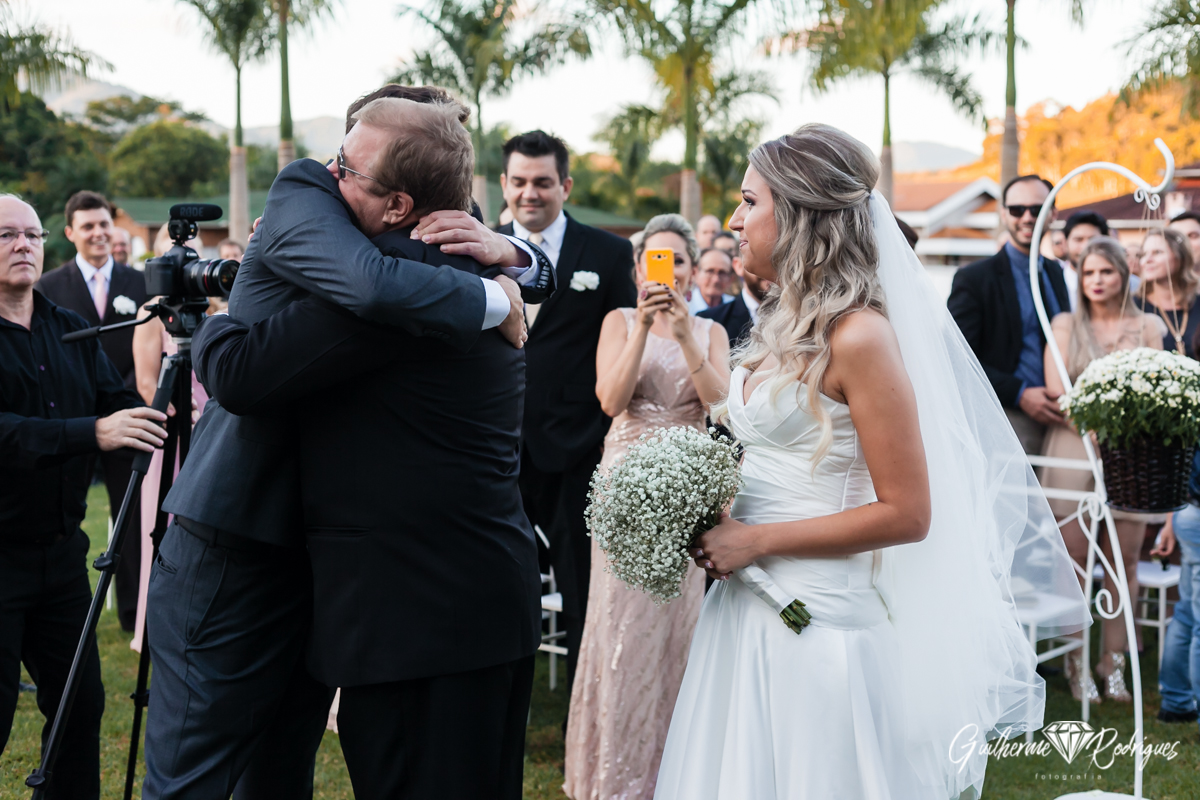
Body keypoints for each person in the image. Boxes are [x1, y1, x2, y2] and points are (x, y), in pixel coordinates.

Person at [653, 125, 1086, 800]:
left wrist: (755, 538)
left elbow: (908, 513)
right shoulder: (781, 320)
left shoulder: (861, 334)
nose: (736, 220)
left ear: (798, 212)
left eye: (749, 201)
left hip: (819, 624)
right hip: (744, 608)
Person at [142, 93, 552, 800]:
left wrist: (212, 328)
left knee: (278, 772)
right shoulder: (312, 194)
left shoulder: (423, 273)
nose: (331, 171)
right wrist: (502, 293)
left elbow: (240, 366)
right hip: (240, 537)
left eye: (347, 163)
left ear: (401, 202)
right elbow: (368, 284)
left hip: (355, 577)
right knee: (197, 774)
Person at [0, 194, 167, 799]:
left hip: (63, 557)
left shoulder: (70, 330)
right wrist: (90, 433)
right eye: (7, 236)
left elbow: (112, 402)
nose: (23, 245)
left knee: (79, 706)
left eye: (31, 234)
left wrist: (150, 411)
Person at [564, 215, 729, 800]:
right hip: (625, 488)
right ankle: (613, 774)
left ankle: (674, 774)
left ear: (691, 266)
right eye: (655, 262)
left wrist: (684, 334)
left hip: (684, 489)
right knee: (620, 626)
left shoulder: (710, 331)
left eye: (678, 261)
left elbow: (719, 404)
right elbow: (610, 400)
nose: (669, 271)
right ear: (638, 270)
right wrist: (642, 327)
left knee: (677, 629)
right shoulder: (615, 320)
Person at [498, 129, 637, 700]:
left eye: (543, 182)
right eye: (520, 182)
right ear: (504, 185)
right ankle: (503, 696)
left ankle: (584, 711)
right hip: (495, 449)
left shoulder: (605, 253)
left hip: (577, 450)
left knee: (581, 587)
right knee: (499, 585)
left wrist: (600, 437)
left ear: (565, 185)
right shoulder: (476, 247)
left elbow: (625, 344)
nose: (531, 193)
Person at [1038, 237, 1165, 704]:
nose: (1095, 281)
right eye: (1088, 273)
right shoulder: (1066, 323)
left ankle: (1113, 665)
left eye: (1105, 272)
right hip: (1074, 449)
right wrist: (1093, 428)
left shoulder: (1147, 324)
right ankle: (1075, 664)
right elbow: (1058, 389)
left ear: (1123, 275)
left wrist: (1120, 432)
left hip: (1129, 454)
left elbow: (1156, 383)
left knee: (1124, 563)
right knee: (1075, 565)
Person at [35, 190, 149, 632]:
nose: (98, 233)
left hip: (127, 412)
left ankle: (131, 614)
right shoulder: (49, 286)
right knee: (64, 517)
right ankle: (59, 608)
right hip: (73, 420)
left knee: (132, 520)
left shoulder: (139, 283)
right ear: (70, 233)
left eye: (104, 224)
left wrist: (131, 401)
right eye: (88, 226)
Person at [948, 174, 1071, 455]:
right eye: (1017, 209)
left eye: (1037, 209)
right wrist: (1020, 393)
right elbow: (958, 356)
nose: (1027, 217)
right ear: (1004, 214)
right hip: (1007, 416)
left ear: (1052, 214)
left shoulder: (1055, 272)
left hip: (1062, 415)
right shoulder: (975, 278)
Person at [1155, 439, 1200, 725]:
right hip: (1193, 513)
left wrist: (1172, 521)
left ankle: (1175, 703)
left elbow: (1181, 460)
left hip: (1187, 512)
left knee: (1186, 611)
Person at [698, 237, 772, 349]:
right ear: (738, 266)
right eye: (761, 260)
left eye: (777, 260)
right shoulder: (710, 321)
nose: (769, 269)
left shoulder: (799, 316)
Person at [1137, 227, 1200, 357]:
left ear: (1180, 256)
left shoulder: (1197, 303)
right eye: (1143, 254)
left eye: (1157, 252)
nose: (1147, 260)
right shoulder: (1135, 306)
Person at [1063, 211, 1109, 310]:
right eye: (1078, 239)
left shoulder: (1127, 285)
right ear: (1066, 243)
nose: (1085, 247)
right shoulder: (1051, 282)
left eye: (1093, 240)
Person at [687, 246, 735, 313]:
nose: (716, 280)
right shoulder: (684, 307)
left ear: (730, 279)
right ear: (696, 273)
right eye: (710, 271)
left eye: (722, 273)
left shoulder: (736, 308)